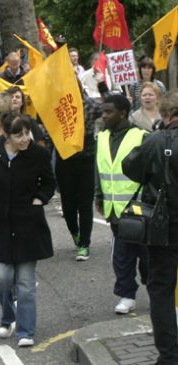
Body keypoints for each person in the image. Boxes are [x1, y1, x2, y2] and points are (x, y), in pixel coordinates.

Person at [0, 112, 56, 348]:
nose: (25, 139)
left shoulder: (38, 154)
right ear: (6, 135)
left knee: (26, 284)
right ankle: (8, 316)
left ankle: (25, 331)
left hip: (28, 225)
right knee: (2, 279)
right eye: (18, 135)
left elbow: (49, 182)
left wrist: (40, 199)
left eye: (27, 133)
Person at [122, 89, 178, 363]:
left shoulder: (155, 139)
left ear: (165, 114)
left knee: (161, 290)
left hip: (164, 228)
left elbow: (130, 167)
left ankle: (169, 356)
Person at [94, 94, 148, 315]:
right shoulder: (103, 137)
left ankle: (156, 289)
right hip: (115, 210)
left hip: (140, 209)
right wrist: (99, 195)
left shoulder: (142, 137)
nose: (104, 116)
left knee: (147, 257)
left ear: (123, 113)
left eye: (109, 112)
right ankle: (127, 295)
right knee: (121, 257)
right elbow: (99, 170)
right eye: (103, 111)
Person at [54, 86, 103, 261]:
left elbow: (108, 106)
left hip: (86, 158)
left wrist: (102, 86)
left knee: (84, 204)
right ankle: (75, 233)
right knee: (67, 205)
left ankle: (84, 243)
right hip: (64, 158)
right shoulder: (57, 105)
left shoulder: (89, 104)